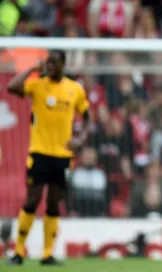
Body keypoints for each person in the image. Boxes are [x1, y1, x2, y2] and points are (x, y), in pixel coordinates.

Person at [6, 51, 90, 266]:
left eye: (54, 63)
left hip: (64, 157)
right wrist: (33, 69)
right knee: (32, 200)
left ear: (63, 64)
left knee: (54, 203)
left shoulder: (75, 89)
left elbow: (88, 118)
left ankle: (47, 254)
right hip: (39, 153)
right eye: (48, 63)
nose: (50, 66)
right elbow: (12, 87)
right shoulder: (38, 85)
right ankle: (18, 251)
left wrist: (80, 140)